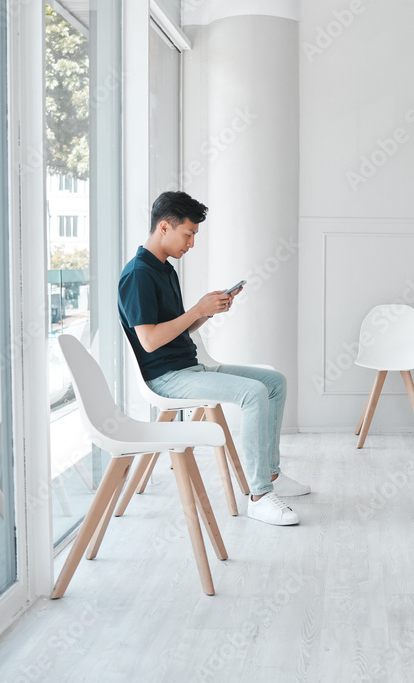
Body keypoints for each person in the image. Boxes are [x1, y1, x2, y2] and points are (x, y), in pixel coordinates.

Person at [118, 191, 309, 526]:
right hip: (166, 377)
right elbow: (148, 342)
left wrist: (207, 313)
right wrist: (196, 309)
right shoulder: (138, 275)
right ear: (164, 227)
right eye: (188, 234)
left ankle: (272, 474)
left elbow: (176, 332)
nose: (191, 243)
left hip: (188, 366)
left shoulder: (164, 270)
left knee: (275, 382)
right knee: (253, 393)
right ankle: (260, 495)